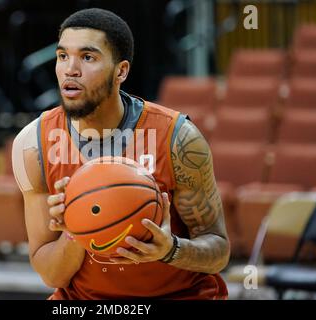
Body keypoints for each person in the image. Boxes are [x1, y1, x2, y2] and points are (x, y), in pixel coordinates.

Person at [12, 8, 230, 299]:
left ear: (121, 71)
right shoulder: (32, 144)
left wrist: (171, 250)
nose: (70, 69)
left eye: (87, 57)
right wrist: (77, 228)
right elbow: (52, 274)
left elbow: (218, 251)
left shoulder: (178, 138)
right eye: (63, 56)